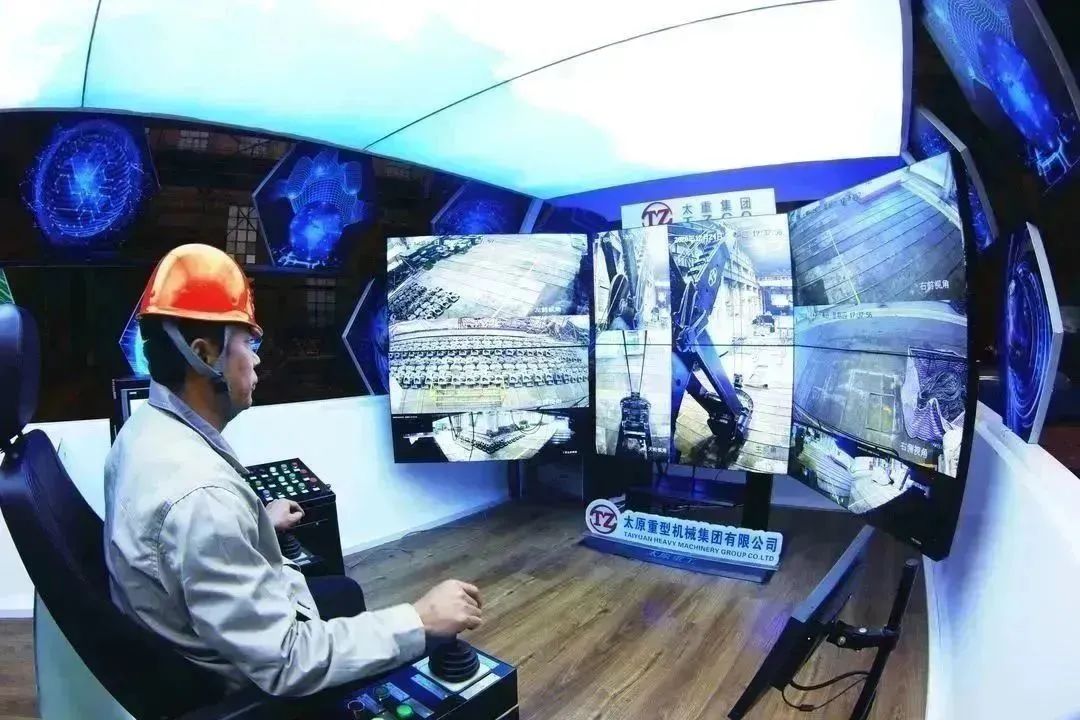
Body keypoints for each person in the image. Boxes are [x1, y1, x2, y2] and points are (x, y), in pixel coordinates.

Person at [104, 244, 482, 698]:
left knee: (343, 592)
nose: (257, 359)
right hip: (241, 684)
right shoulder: (203, 500)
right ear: (204, 354)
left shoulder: (142, 429)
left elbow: (181, 544)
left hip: (200, 639)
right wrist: (418, 620)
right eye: (247, 343)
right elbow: (287, 662)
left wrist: (257, 522)